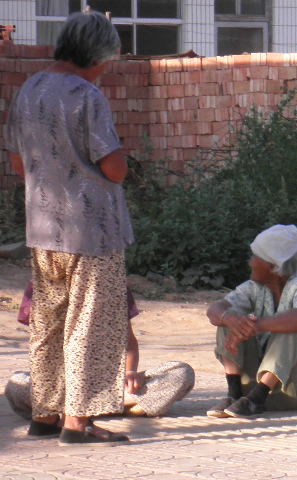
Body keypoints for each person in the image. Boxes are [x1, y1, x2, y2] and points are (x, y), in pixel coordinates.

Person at [6, 11, 135, 445]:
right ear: (97, 54)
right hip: (92, 233)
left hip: (43, 229)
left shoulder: (29, 90)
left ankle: (44, 414)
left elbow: (17, 163)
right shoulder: (86, 95)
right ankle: (78, 422)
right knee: (90, 325)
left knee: (48, 323)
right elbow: (113, 168)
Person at [5, 284, 195, 420]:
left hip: (110, 386)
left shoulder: (114, 284)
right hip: (62, 386)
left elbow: (128, 341)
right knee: (16, 384)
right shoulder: (41, 286)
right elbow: (43, 350)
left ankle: (95, 407)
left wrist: (129, 373)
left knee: (180, 372)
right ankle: (110, 407)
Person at [206, 224, 297, 419]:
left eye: (255, 258)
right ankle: (234, 395)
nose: (250, 263)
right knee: (229, 320)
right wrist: (232, 320)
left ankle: (258, 398)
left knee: (294, 326)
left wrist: (256, 326)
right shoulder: (253, 288)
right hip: (250, 391)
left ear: (274, 267)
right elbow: (214, 310)